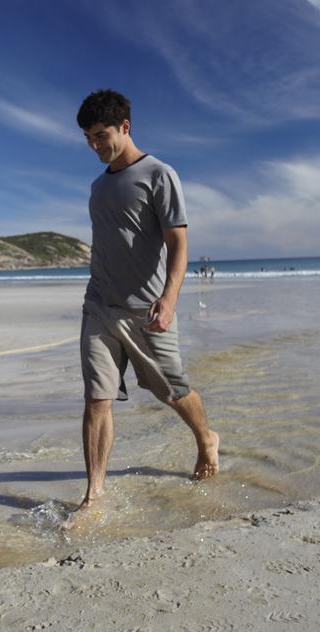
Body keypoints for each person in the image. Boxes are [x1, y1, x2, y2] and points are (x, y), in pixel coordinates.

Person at [68, 89, 219, 526]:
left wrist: (169, 300)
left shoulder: (159, 174)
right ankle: (94, 493)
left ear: (125, 127)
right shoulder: (97, 186)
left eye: (101, 136)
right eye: (88, 138)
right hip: (98, 306)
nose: (95, 145)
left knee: (171, 389)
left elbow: (179, 244)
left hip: (146, 310)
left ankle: (206, 437)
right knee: (97, 399)